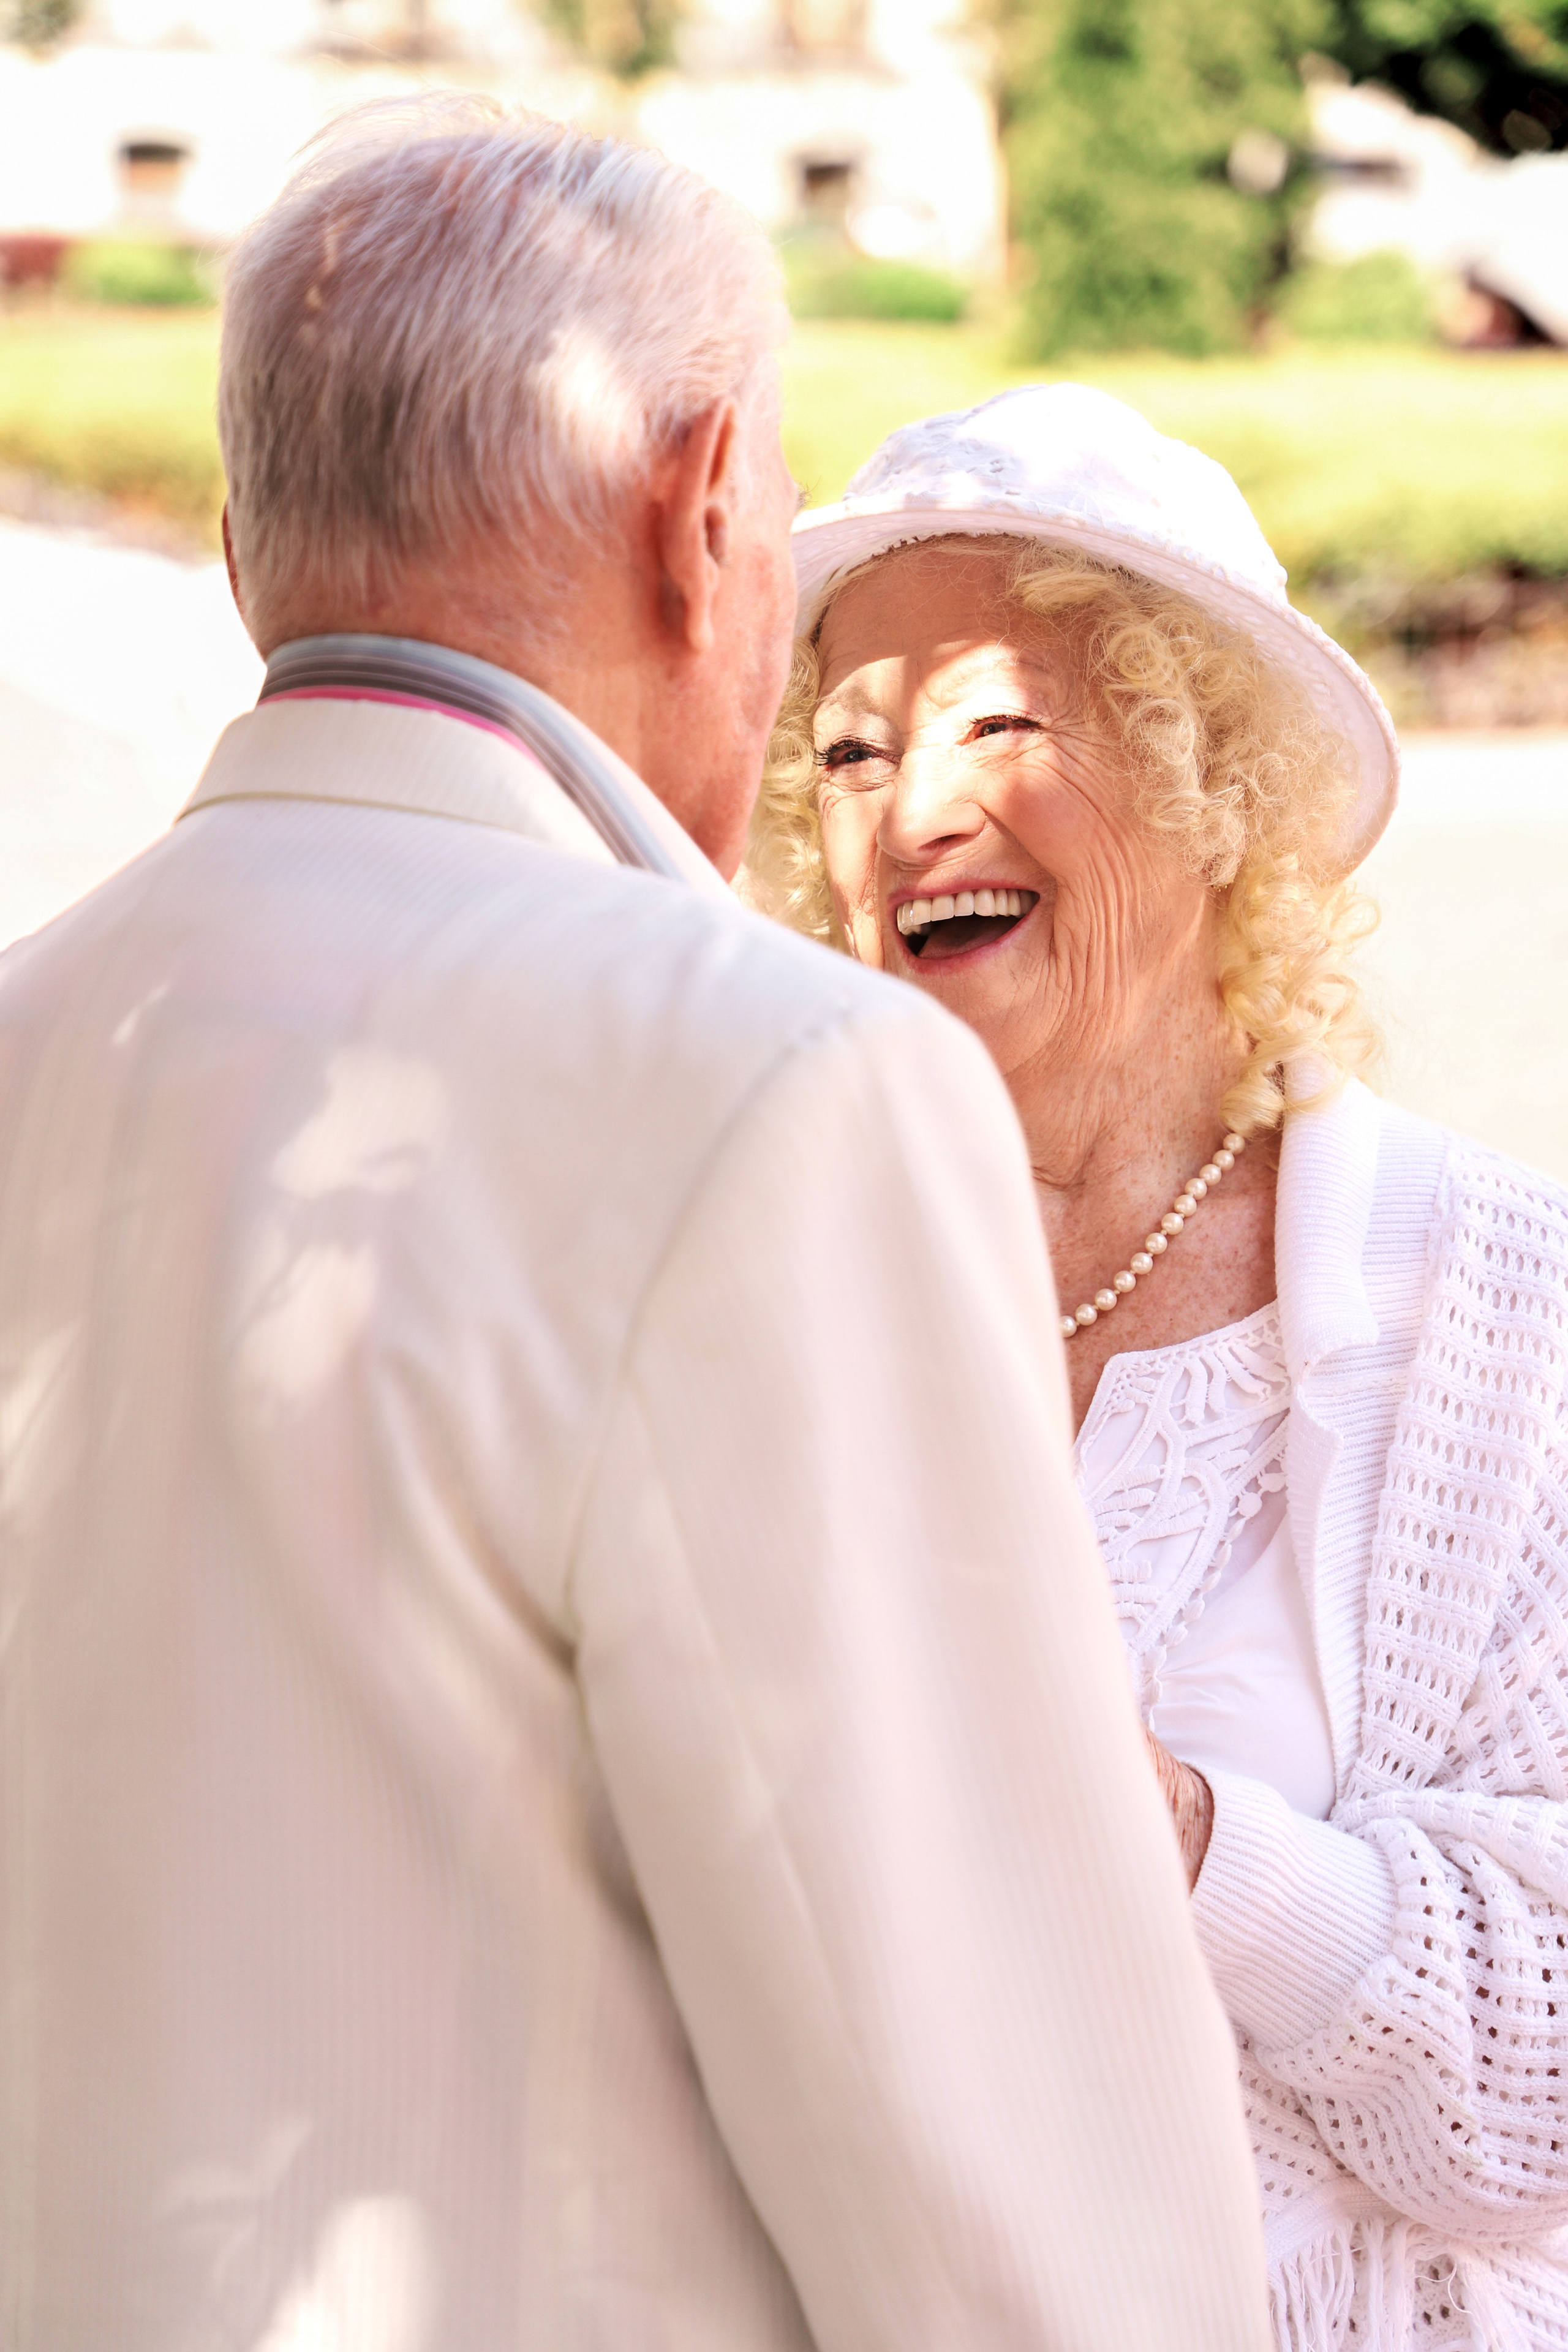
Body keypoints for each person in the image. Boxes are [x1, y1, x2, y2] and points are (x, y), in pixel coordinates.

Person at [0, 105, 1272, 2351]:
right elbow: (1019, 2200)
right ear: (699, 517)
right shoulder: (774, 1085)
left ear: (234, 552)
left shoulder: (33, 1031)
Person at [747, 380, 1568, 2350]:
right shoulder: (766, 1280)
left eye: (999, 720)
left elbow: (1540, 2110)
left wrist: (1181, 1837)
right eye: (850, 748)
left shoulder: (1500, 1303)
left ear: (1216, 792)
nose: (908, 806)